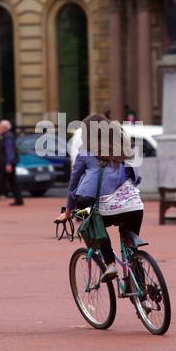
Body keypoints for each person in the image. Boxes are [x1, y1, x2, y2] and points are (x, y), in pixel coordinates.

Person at [56, 113, 144, 282]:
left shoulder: (84, 153)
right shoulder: (123, 150)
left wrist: (67, 212)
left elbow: (73, 186)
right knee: (132, 252)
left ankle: (110, 263)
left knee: (93, 224)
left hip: (109, 208)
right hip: (135, 206)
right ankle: (143, 297)